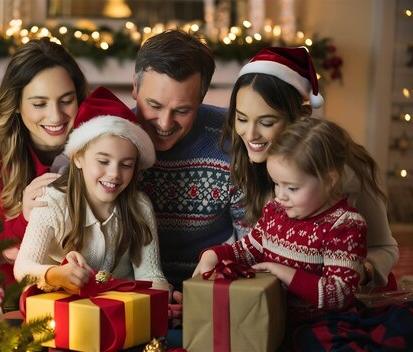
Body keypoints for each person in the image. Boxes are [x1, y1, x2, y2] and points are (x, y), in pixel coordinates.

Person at [220, 46, 398, 289]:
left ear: (300, 116)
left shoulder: (346, 172)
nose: (250, 134)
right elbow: (251, 244)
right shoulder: (243, 160)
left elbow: (384, 247)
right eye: (241, 119)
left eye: (267, 122)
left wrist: (359, 274)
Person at [193, 118, 368, 345]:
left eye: (292, 188)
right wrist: (213, 254)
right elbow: (248, 249)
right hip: (271, 320)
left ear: (329, 180)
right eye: (276, 183)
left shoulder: (344, 226)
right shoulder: (276, 211)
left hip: (322, 327)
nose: (280, 195)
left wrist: (282, 272)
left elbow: (340, 293)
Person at [13, 87, 169, 293]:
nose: (114, 173)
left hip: (120, 309)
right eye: (103, 161)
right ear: (78, 158)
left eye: (126, 164)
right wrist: (56, 274)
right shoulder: (52, 202)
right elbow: (23, 268)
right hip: (63, 311)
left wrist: (161, 297)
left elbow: (150, 274)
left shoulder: (139, 206)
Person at [132, 29, 249, 292]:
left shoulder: (234, 139)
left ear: (201, 99)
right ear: (135, 87)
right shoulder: (109, 138)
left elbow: (252, 239)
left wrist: (208, 287)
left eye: (182, 110)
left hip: (214, 285)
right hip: (129, 289)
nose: (164, 123)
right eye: (154, 105)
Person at [0, 38, 89, 286]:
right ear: (16, 104)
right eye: (39, 104)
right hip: (14, 301)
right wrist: (23, 218)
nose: (56, 116)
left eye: (66, 100)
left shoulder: (100, 148)